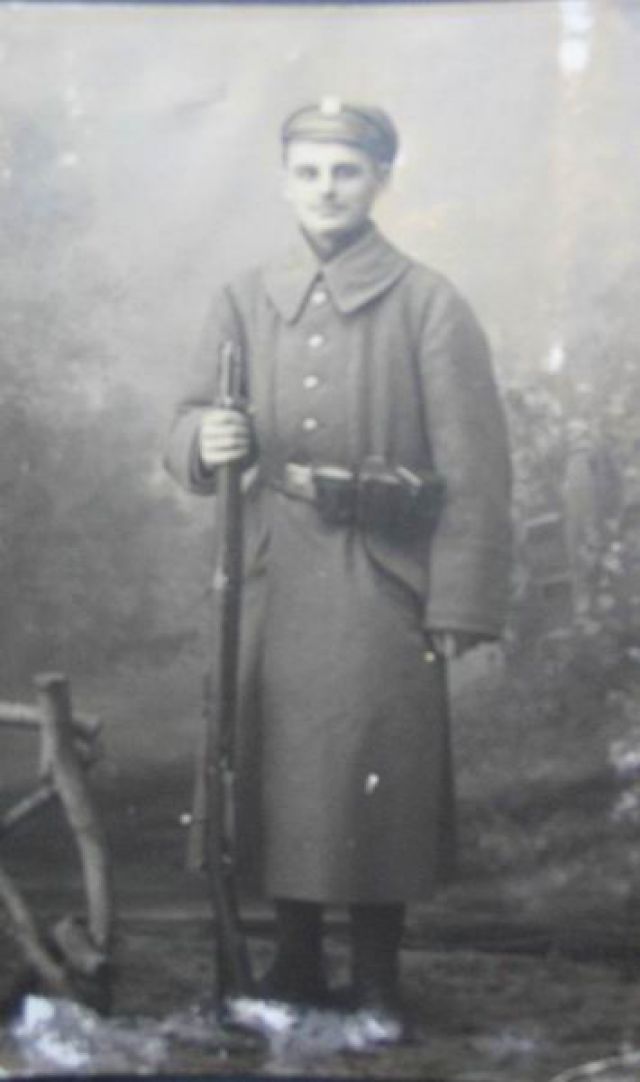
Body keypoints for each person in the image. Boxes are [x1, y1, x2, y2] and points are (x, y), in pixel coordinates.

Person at [165, 99, 511, 1030]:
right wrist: (205, 438)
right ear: (285, 182)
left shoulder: (429, 303)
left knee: (371, 766)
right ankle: (295, 961)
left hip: (380, 573)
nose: (326, 190)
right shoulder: (243, 297)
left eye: (347, 172)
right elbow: (185, 421)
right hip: (271, 572)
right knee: (277, 760)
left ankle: (375, 977)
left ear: (381, 181)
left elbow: (477, 470)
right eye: (309, 172)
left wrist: (459, 602)